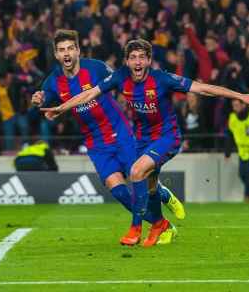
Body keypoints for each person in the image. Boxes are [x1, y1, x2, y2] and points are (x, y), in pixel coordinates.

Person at [42, 38, 249, 247]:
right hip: (142, 139)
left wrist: (240, 96)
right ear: (127, 61)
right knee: (149, 188)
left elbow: (203, 88)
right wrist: (61, 108)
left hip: (167, 137)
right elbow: (89, 94)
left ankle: (135, 229)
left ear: (149, 60)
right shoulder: (120, 77)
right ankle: (161, 225)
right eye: (133, 58)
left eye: (142, 57)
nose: (137, 62)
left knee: (136, 172)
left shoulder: (162, 79)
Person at [32, 30, 185, 246]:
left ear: (77, 50)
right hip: (95, 142)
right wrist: (39, 99)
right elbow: (46, 97)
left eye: (69, 48)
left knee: (139, 177)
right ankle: (161, 223)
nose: (66, 53)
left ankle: (161, 193)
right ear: (56, 54)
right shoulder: (53, 81)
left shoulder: (95, 67)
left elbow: (121, 80)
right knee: (120, 192)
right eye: (61, 50)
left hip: (120, 133)